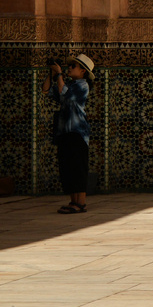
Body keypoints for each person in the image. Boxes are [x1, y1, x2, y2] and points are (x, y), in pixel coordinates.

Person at [48, 53, 94, 214]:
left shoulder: (82, 86)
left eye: (73, 66)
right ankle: (73, 201)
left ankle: (80, 203)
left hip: (77, 132)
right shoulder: (68, 84)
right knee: (68, 168)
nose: (69, 68)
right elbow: (47, 91)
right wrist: (52, 74)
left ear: (83, 71)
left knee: (78, 168)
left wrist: (59, 74)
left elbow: (65, 94)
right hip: (65, 131)